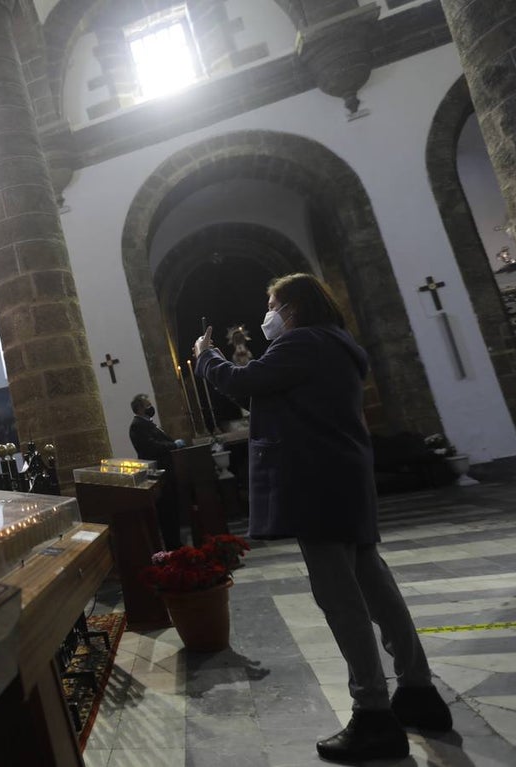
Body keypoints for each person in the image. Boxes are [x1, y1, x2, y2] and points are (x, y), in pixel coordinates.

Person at [193, 273, 452, 763]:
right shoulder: (337, 343)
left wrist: (206, 355)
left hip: (316, 479)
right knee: (374, 584)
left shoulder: (304, 342)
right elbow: (272, 393)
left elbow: (244, 381)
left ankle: (373, 713)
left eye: (271, 304)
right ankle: (418, 691)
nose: (266, 315)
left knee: (340, 597)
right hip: (344, 476)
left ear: (292, 307)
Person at [129, 393, 185, 550]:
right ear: (139, 408)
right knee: (167, 512)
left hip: (167, 471)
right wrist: (174, 445)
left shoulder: (149, 424)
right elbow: (151, 447)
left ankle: (176, 542)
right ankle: (172, 545)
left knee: (173, 510)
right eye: (147, 405)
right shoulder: (137, 425)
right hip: (159, 475)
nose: (150, 407)